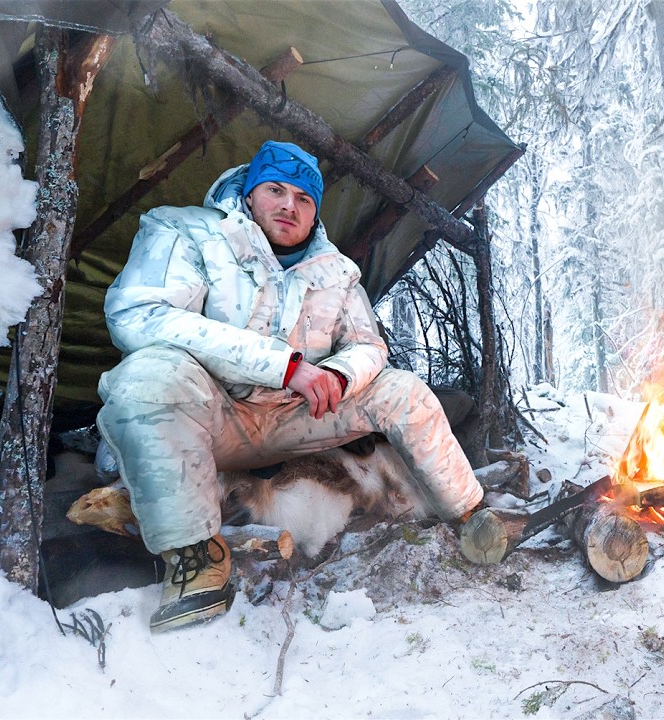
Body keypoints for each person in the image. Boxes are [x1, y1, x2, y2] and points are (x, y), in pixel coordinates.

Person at [97, 141, 483, 632]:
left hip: (292, 418)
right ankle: (194, 559)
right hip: (217, 417)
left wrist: (339, 376)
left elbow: (368, 344)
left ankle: (472, 515)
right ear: (251, 190)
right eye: (276, 189)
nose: (288, 206)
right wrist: (283, 365)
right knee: (147, 377)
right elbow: (139, 315)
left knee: (401, 390)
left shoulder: (335, 271)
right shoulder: (188, 231)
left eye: (304, 199)